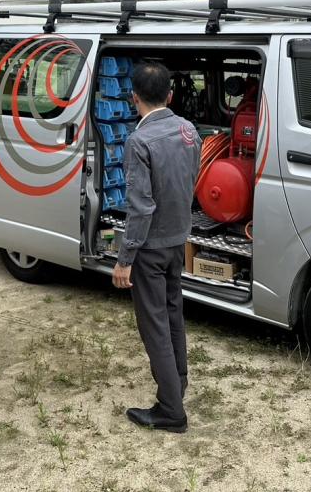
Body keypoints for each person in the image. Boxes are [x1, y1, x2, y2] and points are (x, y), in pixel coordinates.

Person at [112, 61, 202, 433]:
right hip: (177, 239)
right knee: (172, 314)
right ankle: (177, 383)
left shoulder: (139, 141)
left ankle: (171, 410)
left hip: (149, 248)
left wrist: (124, 259)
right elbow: (190, 181)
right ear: (170, 94)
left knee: (154, 326)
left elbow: (141, 206)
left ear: (134, 98)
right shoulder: (188, 130)